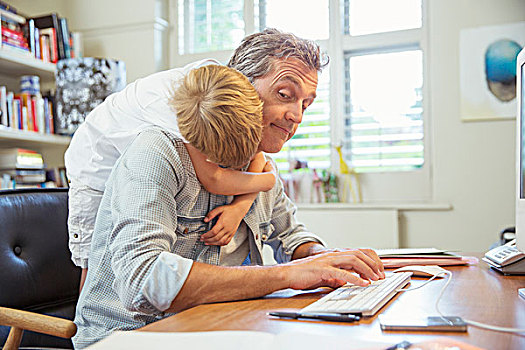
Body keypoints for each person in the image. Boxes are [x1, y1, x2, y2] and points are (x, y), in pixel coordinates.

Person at [72, 28, 385, 349]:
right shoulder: (159, 149)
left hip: (218, 329)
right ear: (242, 87)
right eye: (285, 95)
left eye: (306, 103)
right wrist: (289, 274)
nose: (297, 116)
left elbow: (291, 236)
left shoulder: (262, 163)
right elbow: (145, 279)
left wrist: (324, 259)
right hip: (136, 338)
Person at [65, 60, 276, 292]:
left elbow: (257, 152)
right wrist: (268, 181)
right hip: (94, 168)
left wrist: (241, 205)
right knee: (93, 263)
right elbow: (214, 180)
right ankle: (82, 323)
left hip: (134, 164)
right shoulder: (181, 120)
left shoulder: (227, 91)